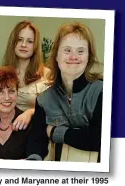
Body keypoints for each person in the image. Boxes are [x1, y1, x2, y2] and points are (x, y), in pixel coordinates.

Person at [26, 22, 103, 162]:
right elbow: (36, 141)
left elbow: (100, 139)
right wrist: (33, 160)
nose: (73, 57)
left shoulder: (102, 91)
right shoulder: (44, 99)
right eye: (67, 50)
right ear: (56, 55)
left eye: (80, 51)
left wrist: (56, 132)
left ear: (88, 57)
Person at [0, 20, 51, 131]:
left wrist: (30, 113)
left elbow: (52, 110)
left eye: (29, 41)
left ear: (35, 46)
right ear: (13, 42)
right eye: (19, 40)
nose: (23, 45)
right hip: (6, 132)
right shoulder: (1, 72)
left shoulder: (47, 74)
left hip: (35, 133)